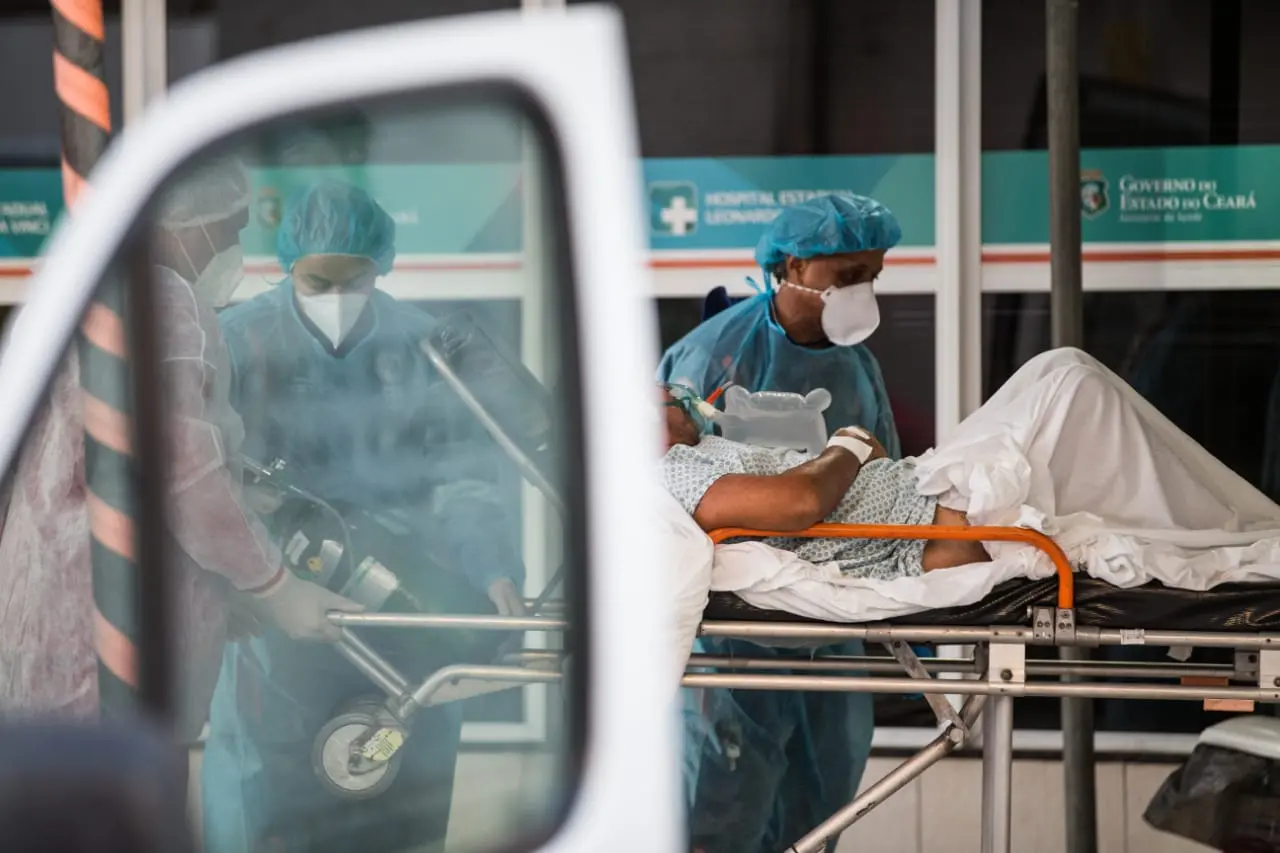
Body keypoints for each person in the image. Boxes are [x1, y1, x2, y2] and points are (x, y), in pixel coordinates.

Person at [201, 179, 527, 853]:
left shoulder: (425, 347)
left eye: (355, 281)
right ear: (289, 266)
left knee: (399, 786)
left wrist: (493, 569)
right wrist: (258, 585)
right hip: (280, 611)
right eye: (318, 282)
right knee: (269, 794)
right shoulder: (236, 342)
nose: (337, 298)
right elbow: (202, 482)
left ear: (382, 267)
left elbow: (462, 476)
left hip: (407, 607)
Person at [0, 158, 359, 741]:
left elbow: (114, 463)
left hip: (56, 623)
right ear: (184, 221)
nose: (234, 247)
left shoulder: (95, 290)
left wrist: (234, 548)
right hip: (107, 650)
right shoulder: (160, 301)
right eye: (229, 229)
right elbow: (183, 469)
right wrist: (274, 585)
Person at [658, 192, 901, 853]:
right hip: (735, 636)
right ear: (794, 266)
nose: (863, 290)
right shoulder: (713, 358)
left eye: (873, 275)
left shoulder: (858, 366)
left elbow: (890, 471)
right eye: (848, 275)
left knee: (818, 811)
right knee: (721, 814)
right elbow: (679, 484)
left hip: (832, 621)